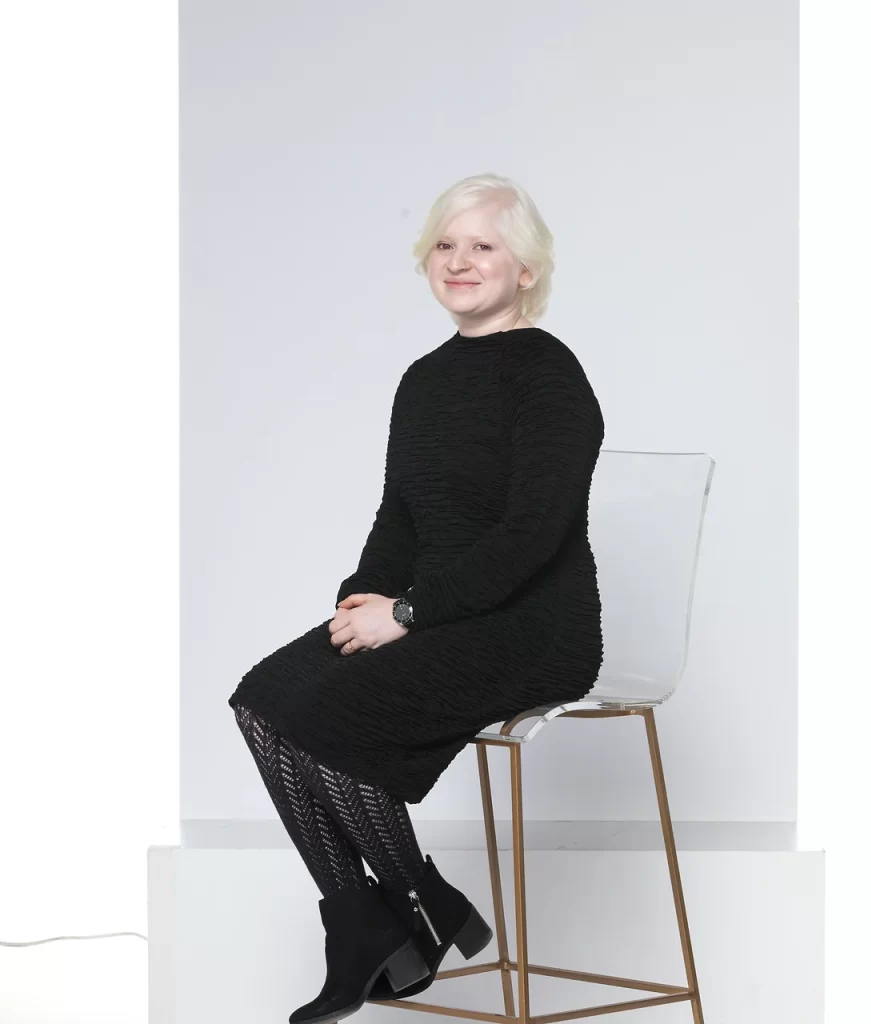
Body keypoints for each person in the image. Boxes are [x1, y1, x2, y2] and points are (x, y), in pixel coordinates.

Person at [228, 172, 606, 1024]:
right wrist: (362, 597)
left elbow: (530, 537)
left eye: (484, 246)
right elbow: (402, 516)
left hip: (532, 627)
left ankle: (416, 906)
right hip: (440, 606)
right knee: (264, 699)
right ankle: (371, 919)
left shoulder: (550, 376)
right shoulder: (425, 380)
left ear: (527, 270)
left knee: (332, 723)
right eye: (446, 244)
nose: (461, 261)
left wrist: (404, 616)